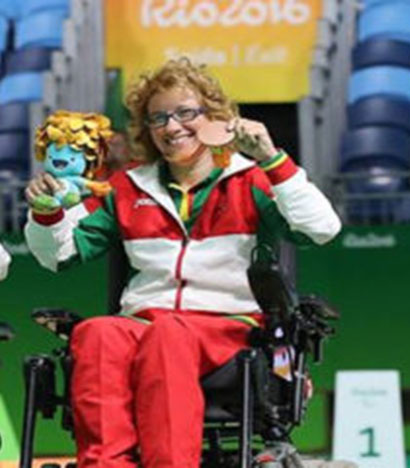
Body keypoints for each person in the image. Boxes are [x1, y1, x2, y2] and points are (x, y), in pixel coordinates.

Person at [24, 58, 341, 468]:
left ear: (215, 118)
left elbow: (323, 228)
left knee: (168, 334)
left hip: (228, 326)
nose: (172, 127)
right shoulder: (128, 187)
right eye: (159, 118)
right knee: (98, 333)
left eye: (186, 113)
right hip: (145, 322)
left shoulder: (251, 179)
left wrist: (273, 160)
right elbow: (58, 256)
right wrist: (46, 213)